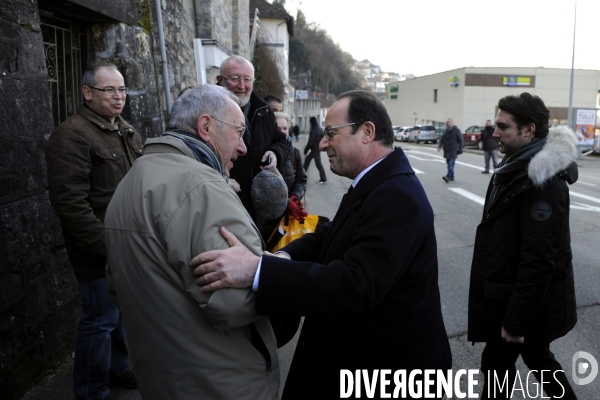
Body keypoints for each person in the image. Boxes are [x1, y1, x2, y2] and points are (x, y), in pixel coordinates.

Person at [192, 90, 452, 399]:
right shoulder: (377, 181)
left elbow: (355, 285)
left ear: (367, 132)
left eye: (331, 133)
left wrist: (258, 270)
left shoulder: (396, 196)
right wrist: (284, 256)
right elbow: (332, 233)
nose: (322, 143)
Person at [104, 84, 280, 400]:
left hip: (162, 375)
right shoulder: (202, 189)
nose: (241, 148)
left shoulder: (133, 178)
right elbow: (232, 303)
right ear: (206, 126)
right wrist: (279, 271)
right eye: (238, 132)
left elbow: (117, 285)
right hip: (219, 381)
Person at [468, 93, 578, 399]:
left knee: (498, 368)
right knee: (532, 361)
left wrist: (515, 324)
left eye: (503, 126)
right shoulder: (514, 165)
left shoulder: (541, 181)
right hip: (510, 297)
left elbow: (540, 259)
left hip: (520, 306)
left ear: (528, 130)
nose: (494, 132)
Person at [45, 63, 140, 400]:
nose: (119, 97)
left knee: (119, 317)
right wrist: (108, 246)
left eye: (122, 89)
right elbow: (70, 203)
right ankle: (92, 390)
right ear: (88, 93)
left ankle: (119, 369)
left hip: (126, 244)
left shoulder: (124, 129)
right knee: (99, 321)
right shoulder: (71, 134)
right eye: (109, 90)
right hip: (98, 250)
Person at [216, 55, 291, 224]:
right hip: (224, 201)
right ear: (220, 80)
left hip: (258, 206)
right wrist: (221, 180)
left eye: (247, 79)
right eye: (234, 79)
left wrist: (275, 153)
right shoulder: (207, 109)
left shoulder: (263, 110)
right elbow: (195, 155)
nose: (241, 86)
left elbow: (283, 142)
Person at [260, 112, 308, 240]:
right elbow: (261, 189)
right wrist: (285, 203)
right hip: (266, 222)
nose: (282, 132)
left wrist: (294, 197)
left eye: (285, 128)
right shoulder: (263, 154)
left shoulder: (294, 153)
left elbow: (301, 179)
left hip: (288, 219)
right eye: (278, 129)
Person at [438, 117, 463, 182]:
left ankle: (448, 177)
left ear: (452, 122)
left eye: (449, 122)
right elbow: (442, 140)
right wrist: (439, 146)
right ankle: (452, 176)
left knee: (451, 164)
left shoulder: (456, 130)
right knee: (449, 164)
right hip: (446, 150)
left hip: (453, 150)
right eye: (447, 122)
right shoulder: (445, 131)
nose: (448, 123)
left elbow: (460, 140)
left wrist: (460, 149)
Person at [303, 116, 327, 184]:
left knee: (318, 164)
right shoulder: (320, 129)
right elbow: (323, 138)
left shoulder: (314, 130)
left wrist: (306, 150)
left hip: (315, 149)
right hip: (317, 149)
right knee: (308, 160)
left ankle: (323, 179)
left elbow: (310, 142)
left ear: (311, 122)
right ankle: (301, 174)